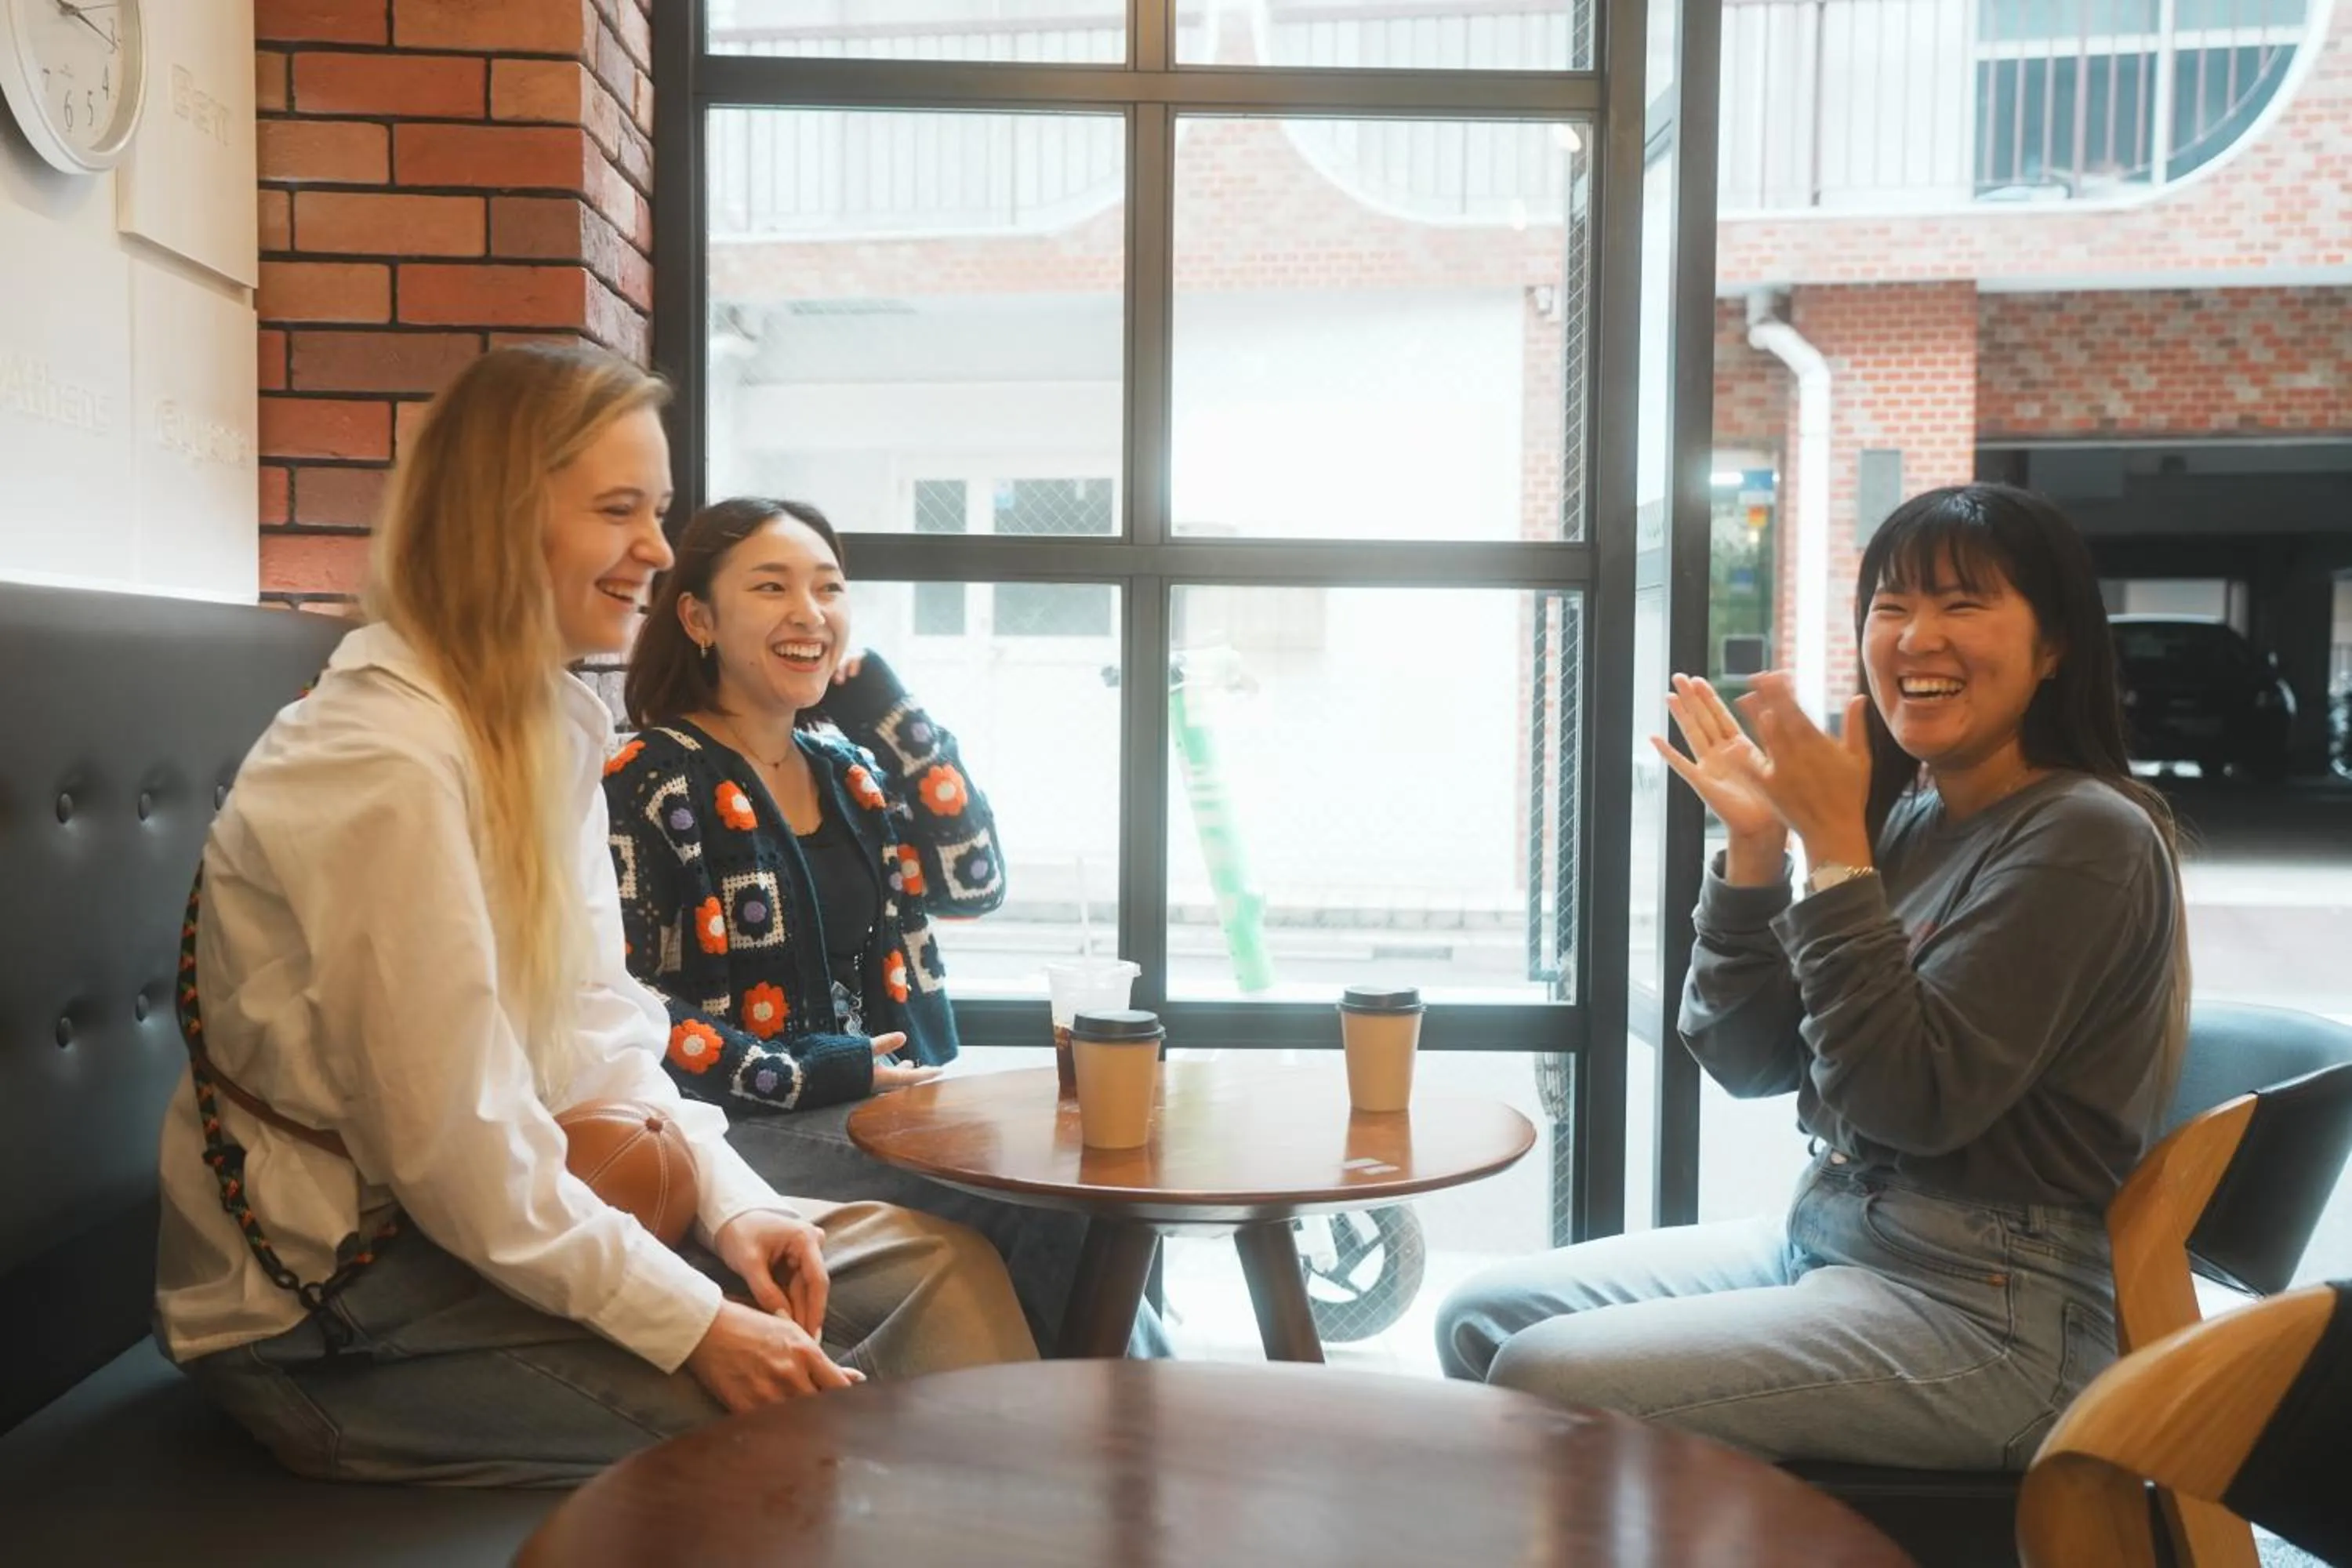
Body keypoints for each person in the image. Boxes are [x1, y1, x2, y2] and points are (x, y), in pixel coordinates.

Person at [154, 347, 1036, 1489]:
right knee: (811, 1440)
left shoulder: (538, 728)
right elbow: (459, 1155)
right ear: (495, 519)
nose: (661, 550)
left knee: (935, 1266)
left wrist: (736, 1212)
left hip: (479, 1236)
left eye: (659, 510)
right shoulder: (377, 765)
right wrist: (700, 1323)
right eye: (620, 509)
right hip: (337, 1317)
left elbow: (598, 1033)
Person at [1437, 482, 2189, 1469]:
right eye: (1891, 605)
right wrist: (1757, 849)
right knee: (1479, 1318)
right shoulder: (1917, 819)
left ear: (2055, 647)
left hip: (1996, 1313)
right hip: (1835, 1237)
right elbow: (1748, 1058)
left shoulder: (2089, 834)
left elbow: (1911, 1100)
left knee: (1544, 1376)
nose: (1918, 636)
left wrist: (1835, 843)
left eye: (1963, 605)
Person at [605, 497, 1164, 1356]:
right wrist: (814, 1070)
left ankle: (1110, 1440)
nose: (809, 610)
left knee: (1092, 1203)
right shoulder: (648, 779)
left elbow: (972, 876)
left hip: (880, 1107)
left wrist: (876, 690)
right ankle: (1109, 1449)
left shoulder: (847, 768)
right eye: (771, 586)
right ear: (697, 617)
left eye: (829, 588)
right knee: (1042, 1202)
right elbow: (626, 1004)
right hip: (734, 1131)